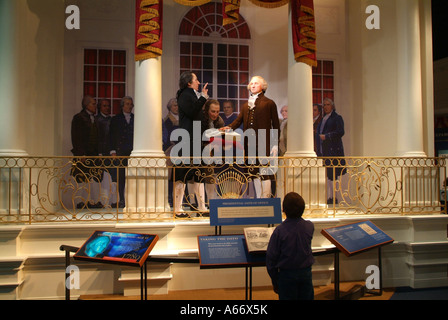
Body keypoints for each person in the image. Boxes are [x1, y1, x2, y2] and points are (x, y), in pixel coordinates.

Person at [225, 75, 280, 198]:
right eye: (251, 83)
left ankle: (266, 200)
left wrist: (275, 144)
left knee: (264, 171)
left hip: (264, 142)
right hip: (249, 144)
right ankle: (259, 198)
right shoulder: (246, 106)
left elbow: (276, 125)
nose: (253, 85)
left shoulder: (269, 103)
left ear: (262, 86)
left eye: (256, 83)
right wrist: (228, 128)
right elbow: (238, 121)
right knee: (253, 172)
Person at [266, 192, 315, 300]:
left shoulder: (279, 231)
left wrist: (275, 279)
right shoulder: (309, 226)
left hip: (286, 275)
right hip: (305, 273)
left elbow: (271, 257)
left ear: (284, 209)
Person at [172, 71, 209, 217]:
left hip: (194, 139)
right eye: (196, 80)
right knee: (182, 173)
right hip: (187, 140)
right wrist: (203, 98)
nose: (199, 82)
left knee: (198, 173)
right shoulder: (185, 94)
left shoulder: (192, 95)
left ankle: (201, 207)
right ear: (189, 83)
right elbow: (193, 112)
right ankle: (177, 209)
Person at [70, 95, 103, 209]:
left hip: (93, 154)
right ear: (86, 105)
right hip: (84, 154)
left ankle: (92, 201)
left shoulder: (95, 118)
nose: (95, 106)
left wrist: (99, 153)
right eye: (93, 104)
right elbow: (76, 137)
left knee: (93, 178)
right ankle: (81, 201)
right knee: (82, 178)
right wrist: (80, 154)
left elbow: (98, 138)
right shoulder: (79, 118)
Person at [316, 98, 345, 204]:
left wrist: (327, 136)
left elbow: (341, 131)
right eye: (324, 105)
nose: (326, 107)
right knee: (328, 175)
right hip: (324, 151)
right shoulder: (323, 118)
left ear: (332, 106)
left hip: (333, 150)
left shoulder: (337, 118)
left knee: (333, 174)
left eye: (328, 105)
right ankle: (329, 196)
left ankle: (334, 197)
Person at [109, 96, 134, 208]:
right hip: (120, 152)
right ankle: (122, 199)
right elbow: (111, 136)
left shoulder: (135, 118)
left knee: (132, 177)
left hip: (133, 152)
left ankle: (132, 199)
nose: (129, 106)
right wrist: (113, 151)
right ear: (122, 105)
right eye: (127, 104)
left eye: (131, 104)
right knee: (121, 177)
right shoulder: (116, 119)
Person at [200, 99, 225, 201]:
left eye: (217, 111)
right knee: (196, 178)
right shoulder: (201, 119)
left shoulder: (219, 121)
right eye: (213, 111)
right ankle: (196, 204)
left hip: (212, 152)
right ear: (207, 110)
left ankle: (211, 203)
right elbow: (200, 136)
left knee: (210, 177)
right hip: (198, 150)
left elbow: (221, 140)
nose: (215, 114)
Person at [95, 99, 116, 207]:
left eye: (108, 106)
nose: (107, 108)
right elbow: (97, 138)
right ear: (100, 107)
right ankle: (100, 200)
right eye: (104, 106)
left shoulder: (111, 120)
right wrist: (99, 152)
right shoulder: (96, 120)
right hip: (101, 152)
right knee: (100, 178)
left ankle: (110, 200)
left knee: (110, 177)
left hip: (109, 152)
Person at [162, 98, 179, 207]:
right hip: (171, 149)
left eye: (177, 105)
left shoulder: (182, 118)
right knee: (170, 174)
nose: (176, 108)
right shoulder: (167, 120)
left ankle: (180, 198)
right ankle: (169, 198)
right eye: (174, 106)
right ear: (170, 107)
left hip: (182, 149)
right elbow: (166, 136)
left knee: (180, 174)